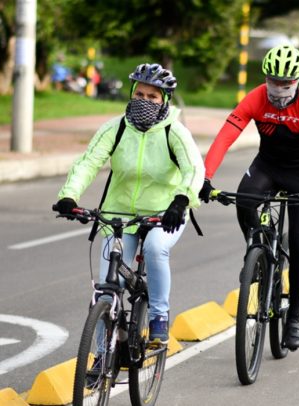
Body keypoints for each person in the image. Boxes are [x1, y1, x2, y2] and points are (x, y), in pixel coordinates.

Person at [198, 44, 299, 351]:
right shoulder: (255, 98)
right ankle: (256, 250)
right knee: (243, 199)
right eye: (273, 81)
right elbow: (226, 137)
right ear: (266, 78)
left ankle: (293, 319)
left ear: (297, 81)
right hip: (266, 167)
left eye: (286, 83)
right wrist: (205, 177)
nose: (279, 88)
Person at [53, 63, 205, 344]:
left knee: (155, 247)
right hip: (119, 214)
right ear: (132, 93)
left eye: (153, 97)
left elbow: (194, 169)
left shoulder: (174, 132)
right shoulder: (116, 128)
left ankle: (159, 314)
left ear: (164, 101)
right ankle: (101, 357)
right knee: (107, 289)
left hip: (165, 213)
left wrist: (181, 200)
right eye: (140, 95)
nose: (144, 102)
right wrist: (69, 195)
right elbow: (88, 163)